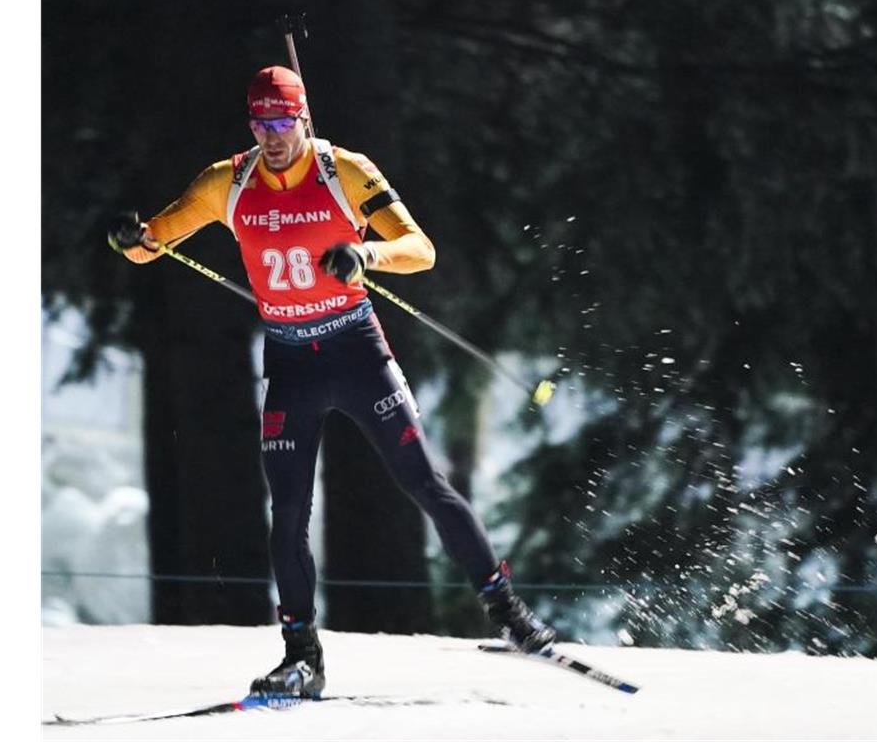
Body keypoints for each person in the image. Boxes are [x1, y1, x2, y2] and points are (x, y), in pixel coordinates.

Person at [106, 65, 555, 698]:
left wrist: (365, 254)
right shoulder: (225, 182)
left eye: (283, 122)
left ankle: (509, 613)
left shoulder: (345, 170)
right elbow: (154, 243)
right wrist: (132, 239)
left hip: (355, 351)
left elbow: (420, 249)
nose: (273, 137)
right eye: (262, 123)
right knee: (287, 515)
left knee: (424, 482)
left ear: (304, 118)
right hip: (291, 366)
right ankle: (302, 658)